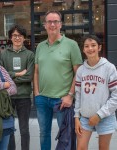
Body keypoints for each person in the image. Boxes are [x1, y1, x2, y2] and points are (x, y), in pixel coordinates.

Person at [34, 10, 83, 150]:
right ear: (45, 25)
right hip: (42, 98)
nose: (52, 24)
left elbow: (78, 73)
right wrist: (37, 93)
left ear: (61, 24)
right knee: (43, 133)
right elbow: (36, 72)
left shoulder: (71, 45)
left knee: (65, 135)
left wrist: (70, 96)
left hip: (62, 100)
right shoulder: (40, 46)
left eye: (56, 21)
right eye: (49, 21)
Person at [74, 35, 117, 150]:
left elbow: (115, 96)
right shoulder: (80, 70)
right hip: (85, 117)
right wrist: (76, 117)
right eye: (86, 46)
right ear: (83, 50)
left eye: (93, 45)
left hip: (105, 117)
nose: (90, 48)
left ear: (99, 47)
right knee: (81, 148)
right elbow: (78, 95)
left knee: (103, 148)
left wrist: (99, 115)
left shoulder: (109, 68)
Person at [0, 24, 34, 150]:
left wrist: (10, 77)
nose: (17, 38)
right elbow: (0, 76)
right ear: (10, 38)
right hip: (7, 97)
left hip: (24, 97)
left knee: (24, 129)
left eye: (20, 35)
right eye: (14, 35)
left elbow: (29, 77)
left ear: (24, 38)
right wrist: (18, 74)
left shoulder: (30, 55)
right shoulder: (3, 55)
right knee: (9, 128)